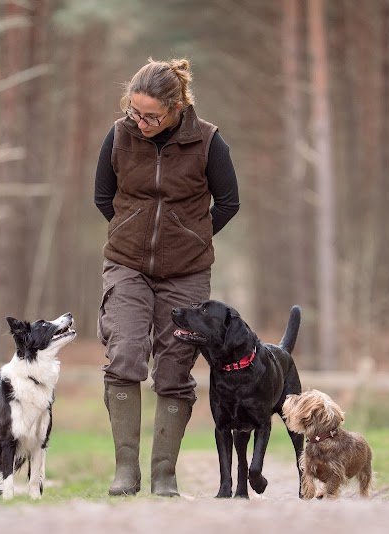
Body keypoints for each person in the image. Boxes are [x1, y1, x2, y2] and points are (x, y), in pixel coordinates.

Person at [93, 58, 240, 497]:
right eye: (134, 111)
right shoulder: (119, 135)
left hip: (187, 274)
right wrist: (131, 233)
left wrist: (188, 239)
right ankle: (125, 472)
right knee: (124, 353)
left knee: (175, 370)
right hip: (127, 265)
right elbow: (104, 195)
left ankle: (163, 475)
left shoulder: (210, 142)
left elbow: (228, 203)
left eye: (150, 116)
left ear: (177, 107)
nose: (140, 122)